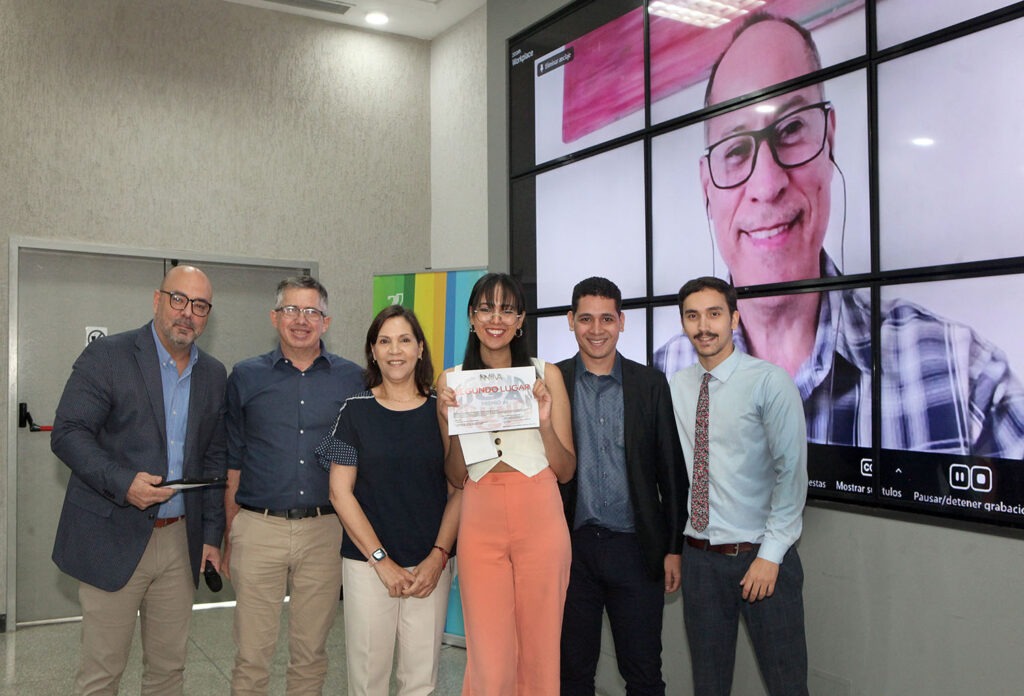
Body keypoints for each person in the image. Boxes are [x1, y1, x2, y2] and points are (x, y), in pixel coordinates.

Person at [654, 12, 1024, 457]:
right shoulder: (662, 380)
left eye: (791, 129)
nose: (767, 184)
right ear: (706, 187)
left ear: (829, 140)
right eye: (735, 150)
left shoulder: (967, 382)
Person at [50, 265, 227, 695]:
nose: (187, 313)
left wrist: (211, 536)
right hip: (112, 532)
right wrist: (124, 482)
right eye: (178, 299)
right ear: (157, 300)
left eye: (200, 306)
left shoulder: (213, 373)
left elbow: (213, 457)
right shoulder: (109, 356)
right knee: (102, 674)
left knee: (168, 672)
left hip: (180, 541)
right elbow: (68, 433)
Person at [437, 272, 575, 696]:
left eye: (507, 310)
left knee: (540, 651)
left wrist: (545, 422)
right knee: (489, 659)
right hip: (480, 518)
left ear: (520, 320)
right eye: (486, 308)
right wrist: (452, 423)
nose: (495, 319)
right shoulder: (451, 382)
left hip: (540, 512)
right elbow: (456, 475)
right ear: (471, 316)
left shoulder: (546, 376)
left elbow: (566, 470)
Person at [223, 275, 363, 696]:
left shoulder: (353, 380)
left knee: (310, 655)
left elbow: (361, 456)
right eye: (291, 310)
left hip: (325, 530)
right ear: (274, 317)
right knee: (251, 656)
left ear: (326, 322)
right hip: (257, 528)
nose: (301, 320)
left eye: (311, 312)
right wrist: (230, 533)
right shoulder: (245, 376)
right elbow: (233, 461)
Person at [669, 276, 808, 696]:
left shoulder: (769, 381)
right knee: (709, 687)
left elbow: (791, 474)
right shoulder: (678, 385)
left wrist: (770, 555)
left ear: (734, 318)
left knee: (787, 687)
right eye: (692, 316)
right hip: (700, 562)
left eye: (714, 314)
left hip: (762, 558)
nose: (703, 326)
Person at [315, 305, 461, 696]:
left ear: (420, 348)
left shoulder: (443, 411)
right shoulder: (354, 411)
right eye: (384, 341)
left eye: (404, 340)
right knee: (368, 681)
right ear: (373, 351)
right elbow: (339, 492)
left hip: (430, 567)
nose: (395, 350)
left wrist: (438, 557)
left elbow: (459, 489)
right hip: (368, 566)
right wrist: (381, 561)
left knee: (421, 681)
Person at [556, 277, 685, 696]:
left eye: (606, 319)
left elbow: (671, 472)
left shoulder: (650, 384)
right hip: (571, 551)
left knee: (643, 673)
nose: (596, 329)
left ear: (622, 322)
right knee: (572, 674)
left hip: (636, 549)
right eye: (586, 319)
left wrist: (673, 548)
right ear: (571, 321)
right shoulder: (552, 382)